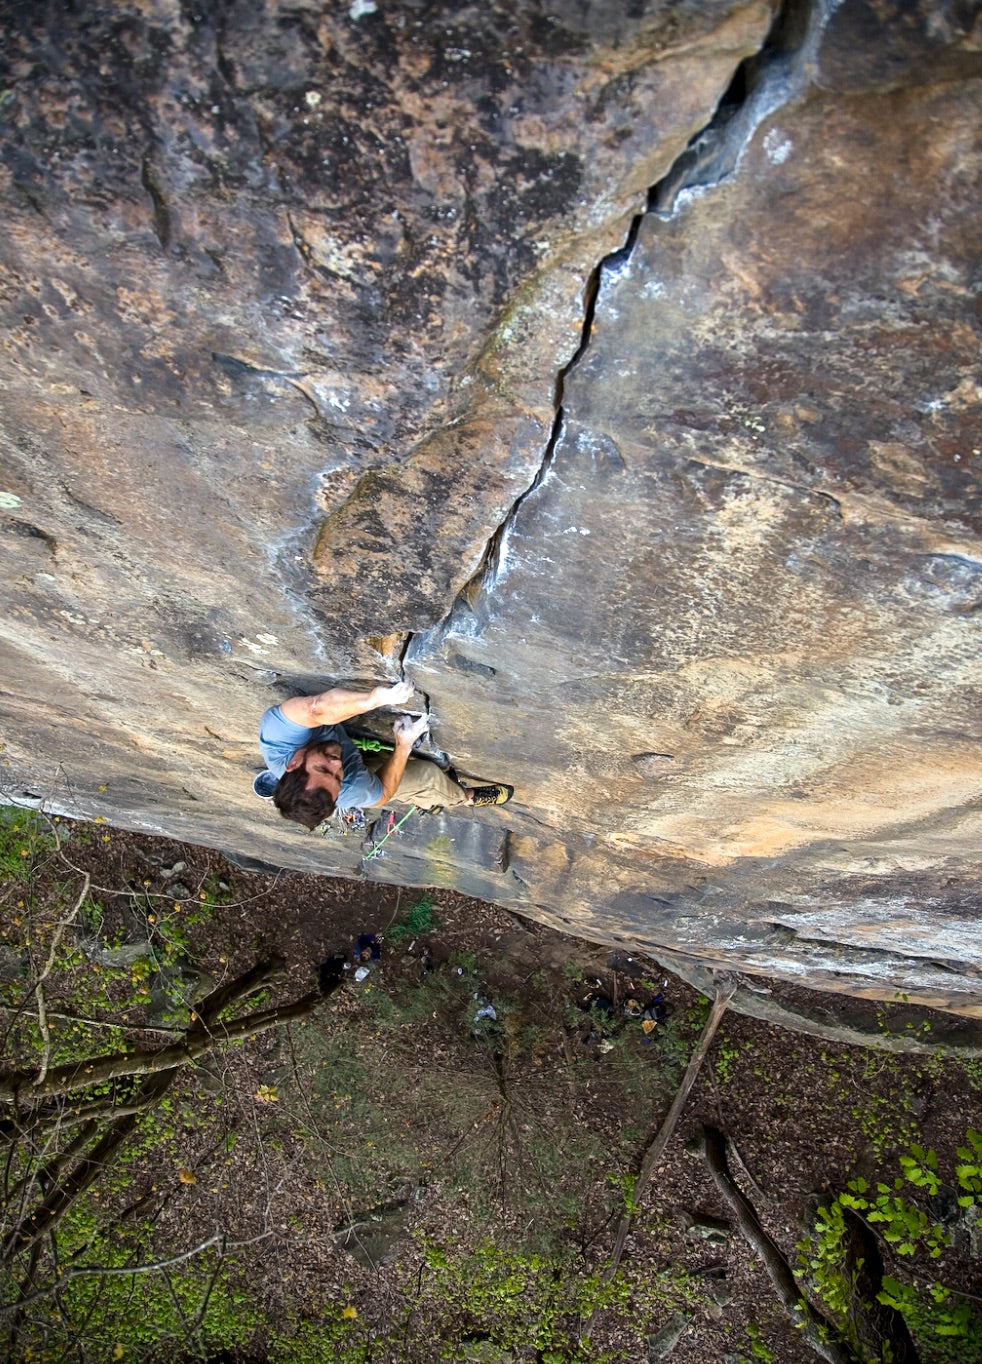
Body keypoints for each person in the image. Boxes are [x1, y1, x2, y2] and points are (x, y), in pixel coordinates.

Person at [257, 680, 512, 831]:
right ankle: (464, 798)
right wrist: (404, 744)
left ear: (294, 763)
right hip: (361, 772)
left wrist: (372, 700)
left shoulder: (277, 739)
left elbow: (316, 709)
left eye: (323, 769)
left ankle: (423, 801)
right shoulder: (349, 789)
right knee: (428, 777)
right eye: (336, 776)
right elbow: (384, 793)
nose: (336, 763)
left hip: (346, 753)